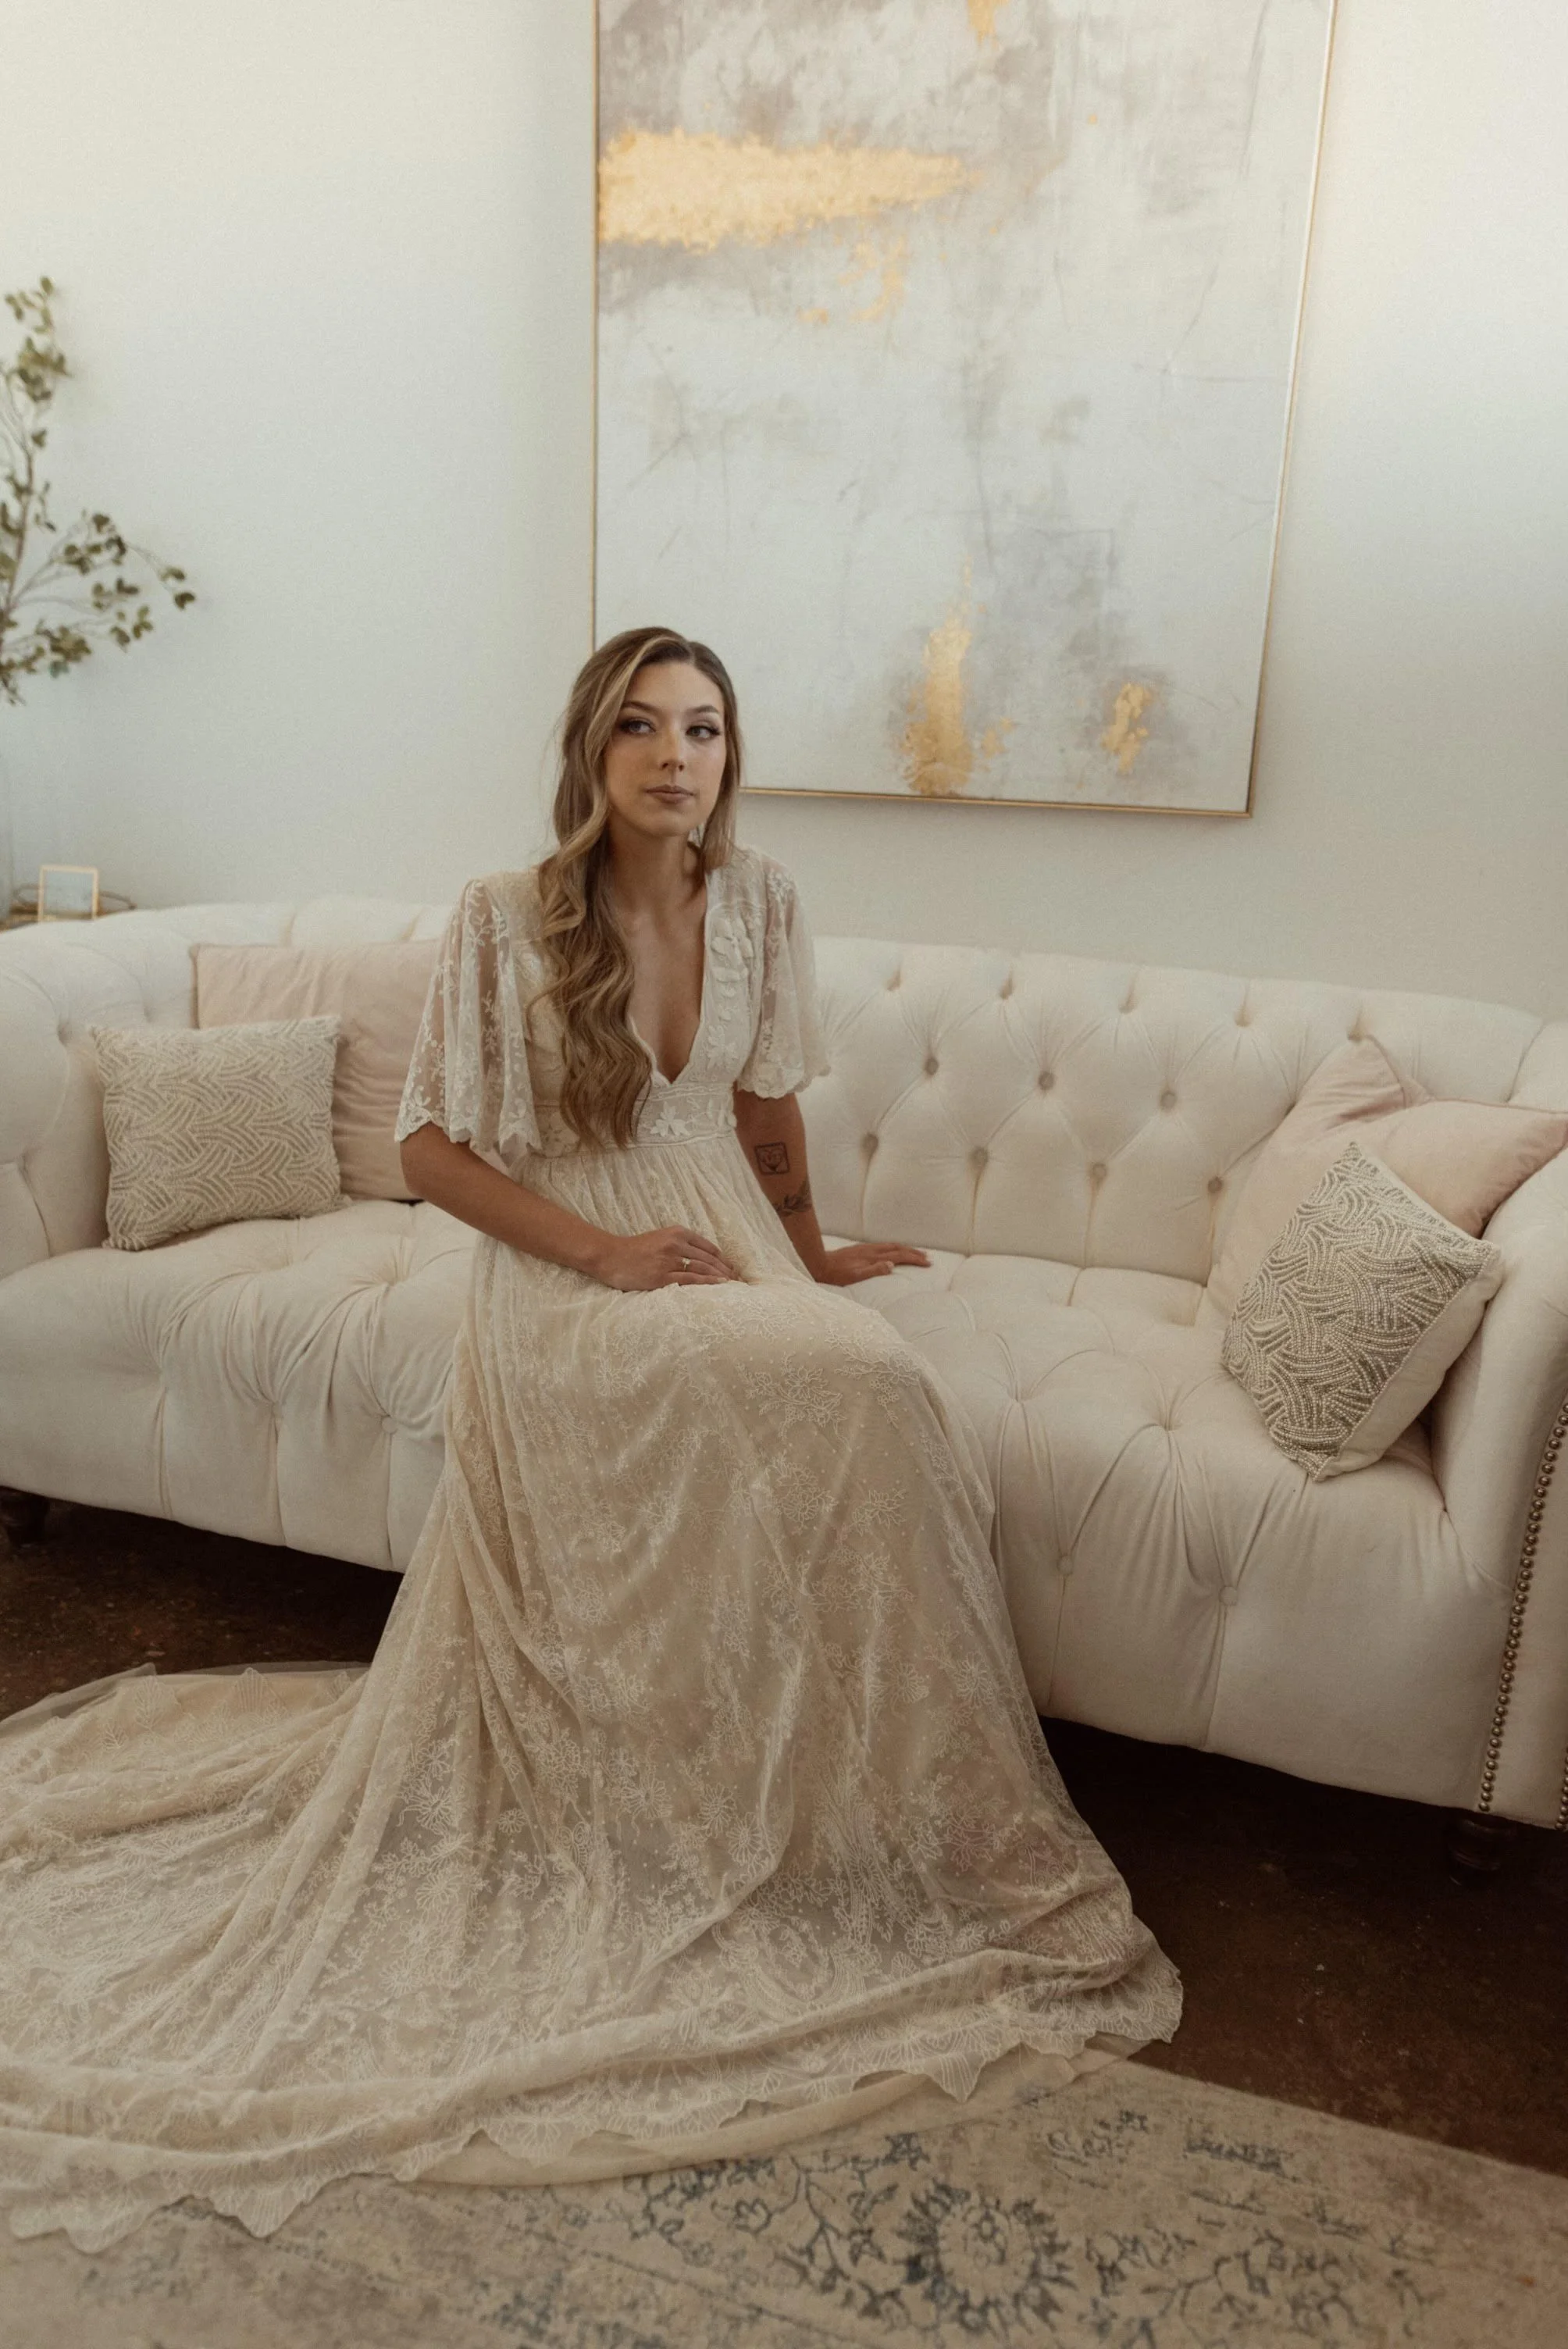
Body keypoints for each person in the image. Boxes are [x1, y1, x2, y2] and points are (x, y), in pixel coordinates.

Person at [0, 626, 1180, 2254]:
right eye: (639, 725)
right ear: (590, 749)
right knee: (871, 1390)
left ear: (726, 755)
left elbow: (764, 1105)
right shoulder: (506, 918)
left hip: (714, 1234)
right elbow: (423, 1149)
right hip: (562, 1273)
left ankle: (855, 1808)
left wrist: (813, 1249)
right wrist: (605, 1253)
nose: (672, 755)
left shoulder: (760, 902)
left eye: (701, 728)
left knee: (859, 1373)